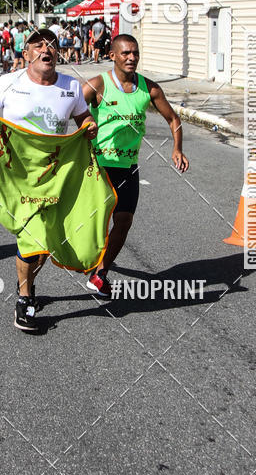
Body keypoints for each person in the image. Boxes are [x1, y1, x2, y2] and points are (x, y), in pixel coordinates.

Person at [0, 28, 98, 331]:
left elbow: (83, 118)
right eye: (38, 45)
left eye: (52, 45)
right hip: (18, 176)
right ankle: (25, 300)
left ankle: (24, 284)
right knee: (33, 237)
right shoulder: (9, 81)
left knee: (45, 242)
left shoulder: (70, 86)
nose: (46, 49)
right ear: (26, 53)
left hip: (56, 176)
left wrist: (89, 124)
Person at [81, 34, 189, 297]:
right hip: (98, 166)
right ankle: (79, 259)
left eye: (135, 53)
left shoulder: (149, 88)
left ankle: (101, 273)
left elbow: (174, 119)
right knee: (93, 224)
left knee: (124, 220)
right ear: (113, 55)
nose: (131, 58)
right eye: (126, 53)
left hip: (128, 167)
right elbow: (68, 110)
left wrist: (177, 148)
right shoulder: (98, 85)